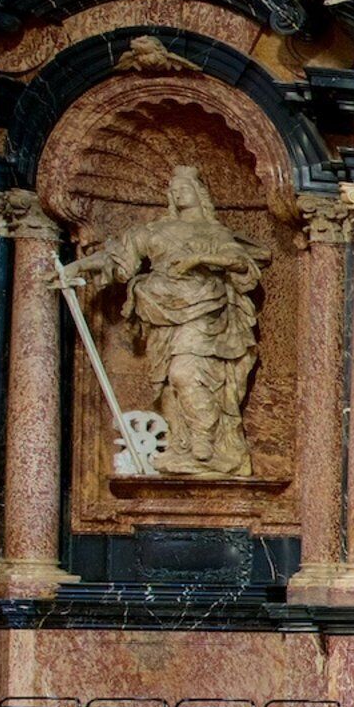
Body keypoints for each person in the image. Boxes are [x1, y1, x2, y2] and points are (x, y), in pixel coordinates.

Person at [59, 166, 266, 477]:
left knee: (185, 373)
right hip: (160, 312)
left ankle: (206, 445)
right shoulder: (155, 231)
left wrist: (201, 259)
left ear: (199, 194)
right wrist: (77, 267)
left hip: (205, 313)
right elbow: (119, 262)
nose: (178, 191)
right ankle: (183, 448)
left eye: (185, 187)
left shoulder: (215, 233)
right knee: (169, 384)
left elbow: (240, 263)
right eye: (174, 187)